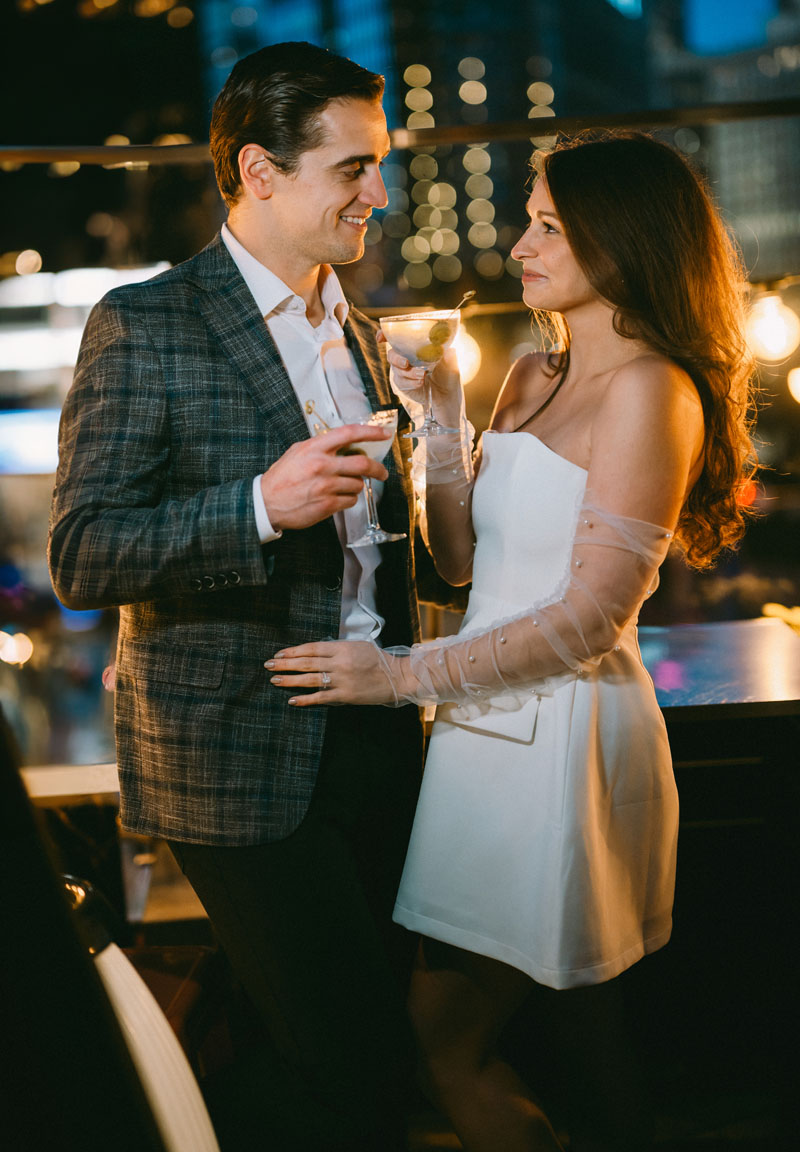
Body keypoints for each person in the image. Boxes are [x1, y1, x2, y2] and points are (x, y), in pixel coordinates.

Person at [267, 131, 757, 1150]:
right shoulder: (531, 370)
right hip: (483, 733)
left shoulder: (650, 393)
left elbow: (588, 619)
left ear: (622, 239)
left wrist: (393, 675)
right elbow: (459, 562)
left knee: (447, 1038)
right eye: (528, 218)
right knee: (576, 1036)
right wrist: (440, 421)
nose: (519, 243)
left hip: (563, 743)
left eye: (546, 223)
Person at [48, 42, 424, 1152]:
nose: (379, 192)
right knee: (358, 1061)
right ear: (258, 172)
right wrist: (260, 504)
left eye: (380, 165)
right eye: (353, 168)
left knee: (314, 1056)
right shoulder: (145, 321)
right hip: (233, 759)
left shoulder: (360, 333)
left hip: (374, 736)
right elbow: (83, 552)